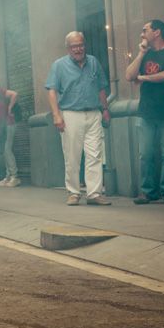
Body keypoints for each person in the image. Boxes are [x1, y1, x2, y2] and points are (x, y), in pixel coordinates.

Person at [45, 32, 112, 206]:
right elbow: (51, 90)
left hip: (93, 113)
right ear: (68, 48)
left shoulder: (93, 62)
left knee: (95, 154)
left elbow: (101, 88)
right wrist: (56, 115)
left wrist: (105, 109)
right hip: (70, 114)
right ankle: (74, 192)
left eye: (81, 45)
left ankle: (94, 194)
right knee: (72, 156)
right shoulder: (59, 65)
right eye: (74, 46)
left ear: (85, 45)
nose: (78, 49)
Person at [125, 19, 164, 205]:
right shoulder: (145, 54)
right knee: (145, 154)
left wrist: (143, 77)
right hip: (146, 112)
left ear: (157, 32)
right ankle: (148, 192)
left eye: (145, 30)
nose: (142, 34)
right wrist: (141, 53)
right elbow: (129, 76)